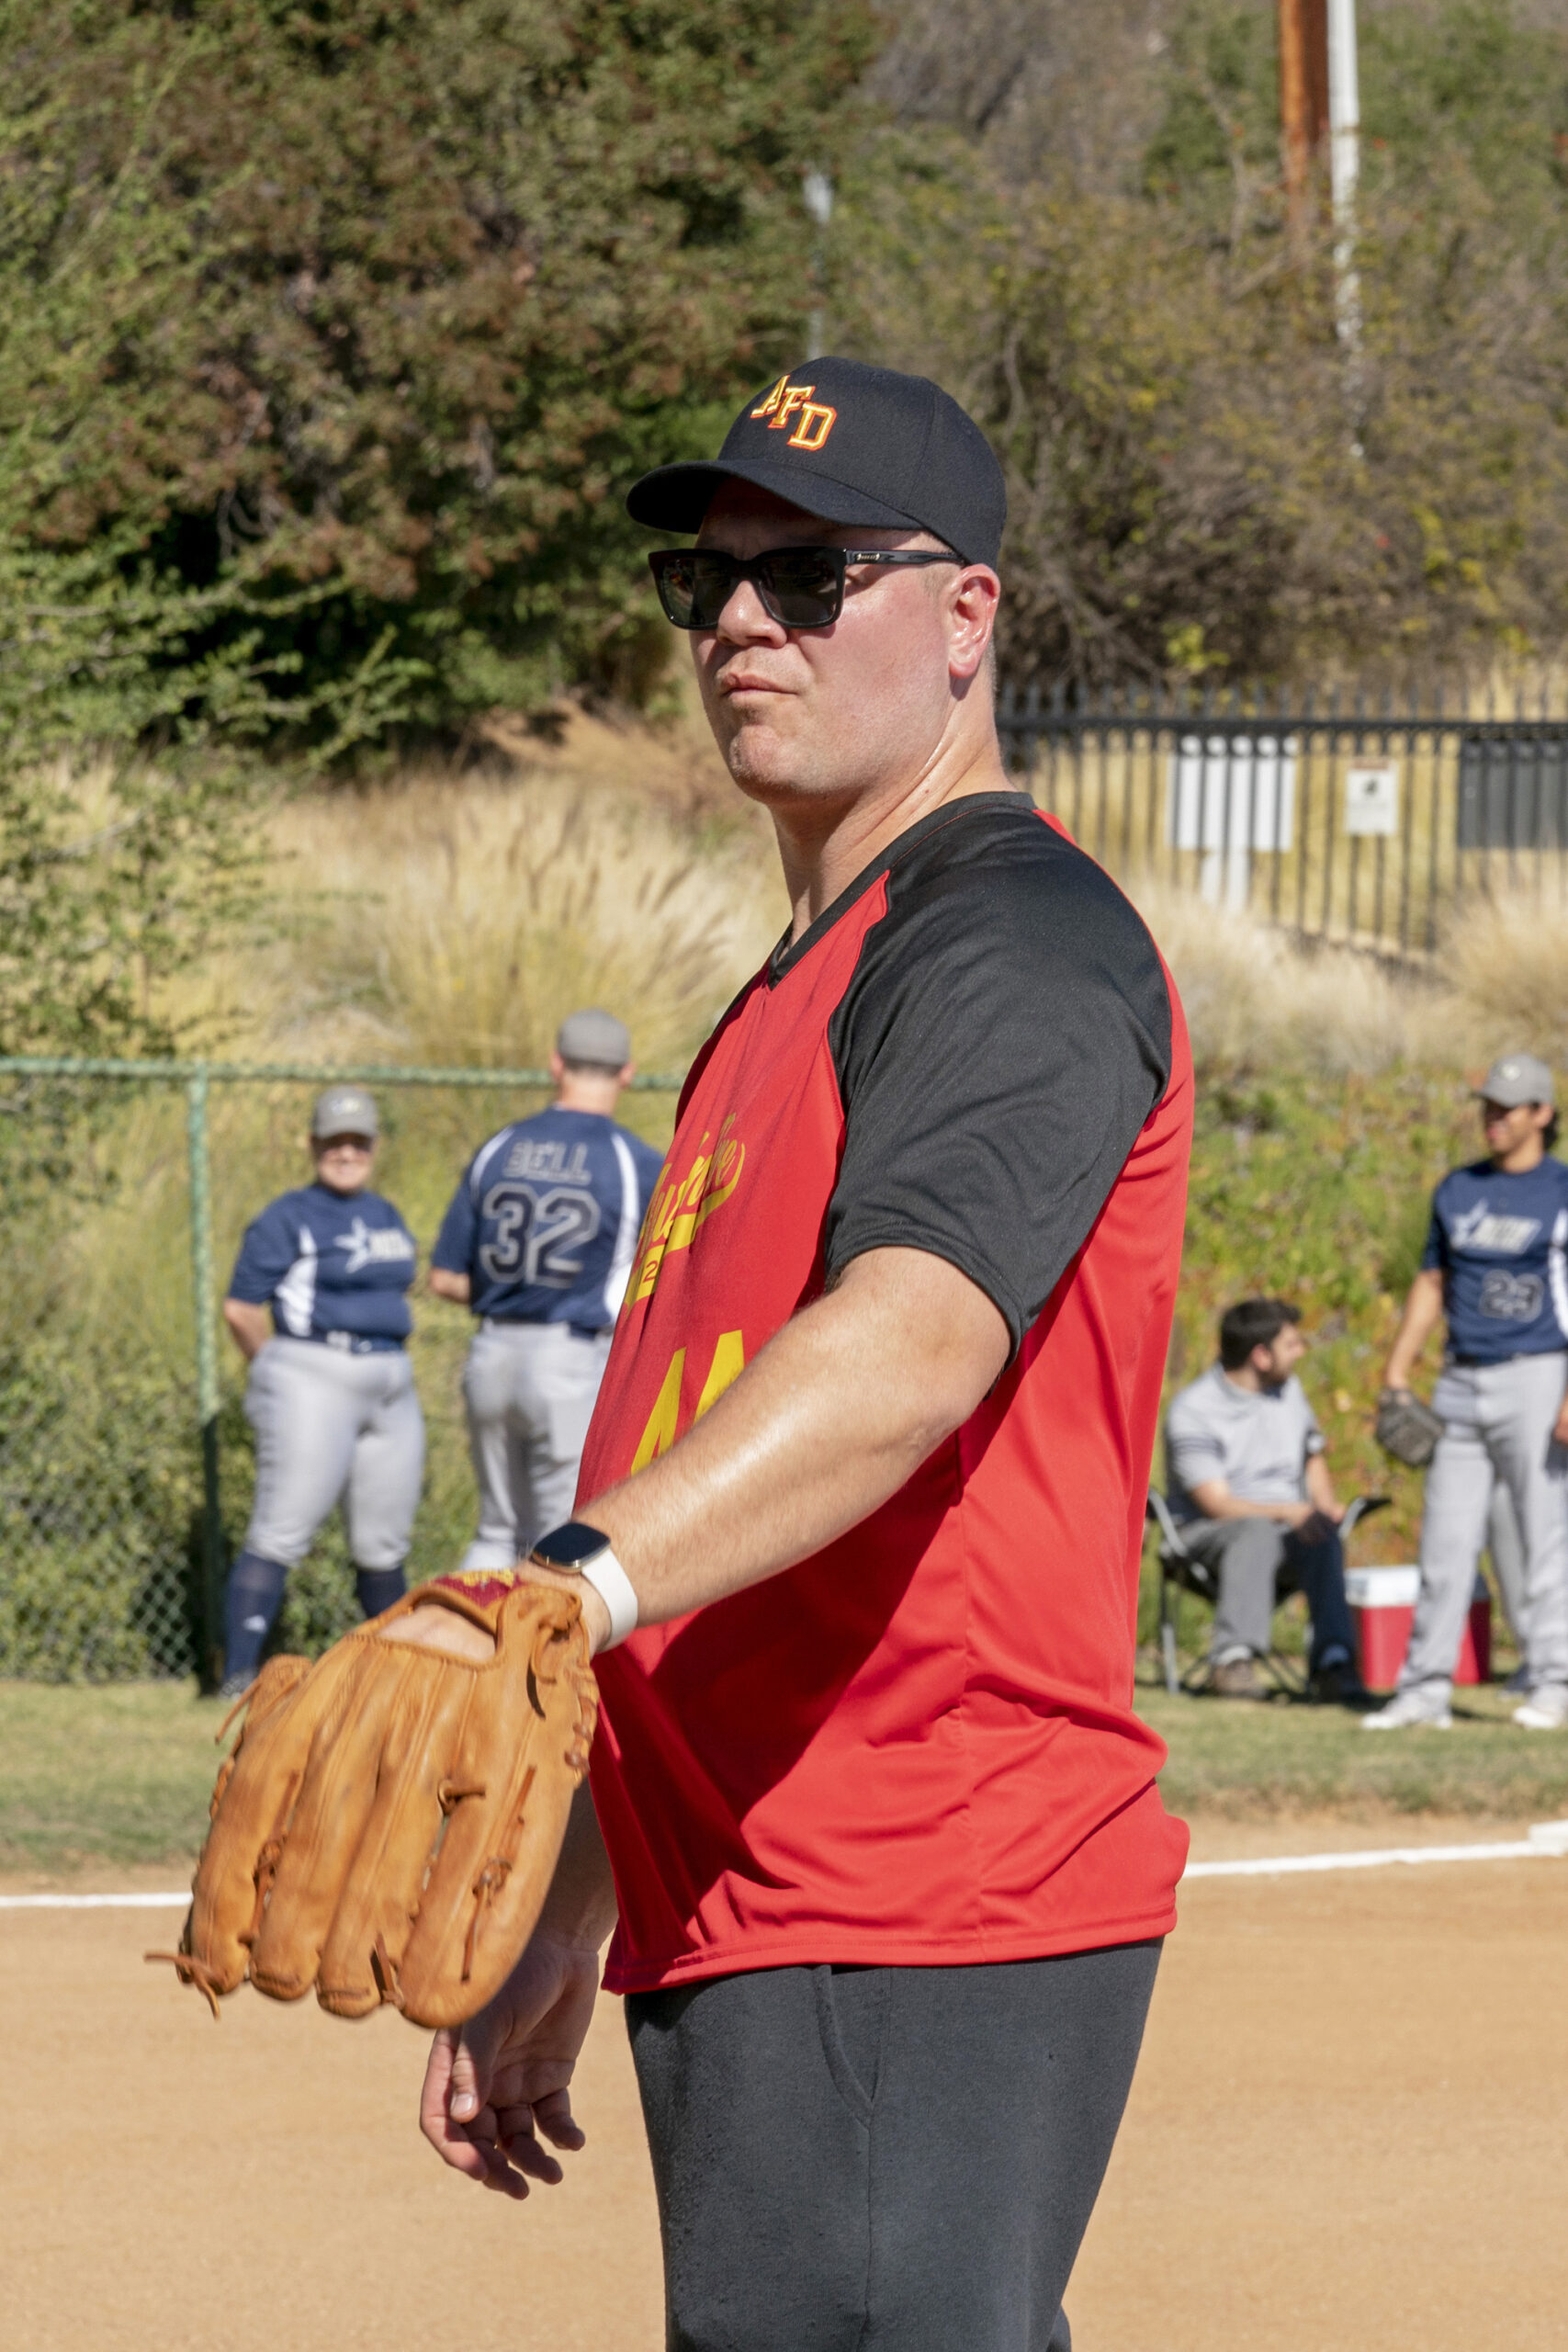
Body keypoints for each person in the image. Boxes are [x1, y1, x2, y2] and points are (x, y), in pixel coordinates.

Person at [398, 356, 1195, 2352]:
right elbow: (714, 1523)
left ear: (964, 614)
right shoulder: (784, 996)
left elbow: (912, 1348)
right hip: (761, 1903)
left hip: (911, 1892)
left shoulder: (1007, 939)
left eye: (810, 570)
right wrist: (575, 1898)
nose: (741, 617)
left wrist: (552, 1586)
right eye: (708, 579)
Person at [1364, 1052, 1568, 1732]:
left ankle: (1554, 1680)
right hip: (1460, 1375)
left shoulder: (1561, 1190)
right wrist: (1397, 1369)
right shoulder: (1457, 1189)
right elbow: (1431, 1283)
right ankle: (1422, 1692)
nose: (1493, 1118)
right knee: (1444, 1541)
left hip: (1537, 1371)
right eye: (1486, 1106)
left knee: (1545, 1538)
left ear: (1542, 1114)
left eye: (1506, 1109)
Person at [427, 1012, 664, 1571]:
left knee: (495, 1533)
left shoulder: (500, 1148)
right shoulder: (634, 1162)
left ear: (556, 1065)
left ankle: (463, 1656)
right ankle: (534, 1661)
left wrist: (517, 1296)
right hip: (571, 1358)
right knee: (562, 1540)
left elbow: (444, 1278)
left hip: (492, 1353)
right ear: (626, 1074)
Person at [220, 1085, 423, 1699]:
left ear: (374, 1146)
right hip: (314, 1368)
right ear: (312, 1145)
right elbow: (240, 1309)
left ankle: (388, 1674)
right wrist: (280, 1370)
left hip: (388, 1376)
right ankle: (237, 1675)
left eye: (357, 1141)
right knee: (283, 1528)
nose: (345, 1152)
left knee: (381, 1539)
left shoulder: (384, 1212)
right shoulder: (289, 1215)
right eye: (333, 1141)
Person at [1165, 1297, 1367, 1703]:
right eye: (1291, 1344)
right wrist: (1293, 1512)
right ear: (1260, 1355)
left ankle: (1334, 1661)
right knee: (1254, 1530)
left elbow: (1312, 1456)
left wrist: (1324, 1508)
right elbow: (1215, 1504)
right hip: (1207, 1537)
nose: (1300, 1352)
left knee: (1323, 1534)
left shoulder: (1288, 1392)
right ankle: (1232, 1661)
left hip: (1286, 1531)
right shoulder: (1194, 1410)